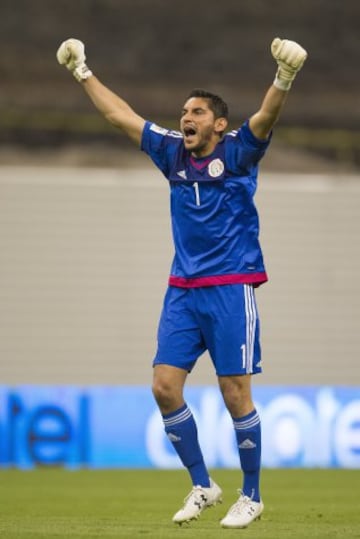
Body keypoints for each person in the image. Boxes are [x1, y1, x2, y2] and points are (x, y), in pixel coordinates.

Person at [56, 36, 307, 529]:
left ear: (217, 123)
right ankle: (203, 484)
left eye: (195, 112)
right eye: (182, 111)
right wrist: (82, 70)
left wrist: (284, 77)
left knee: (236, 395)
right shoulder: (172, 153)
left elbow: (265, 117)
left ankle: (251, 495)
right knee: (164, 387)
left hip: (231, 287)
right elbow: (120, 116)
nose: (185, 117)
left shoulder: (237, 152)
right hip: (183, 290)